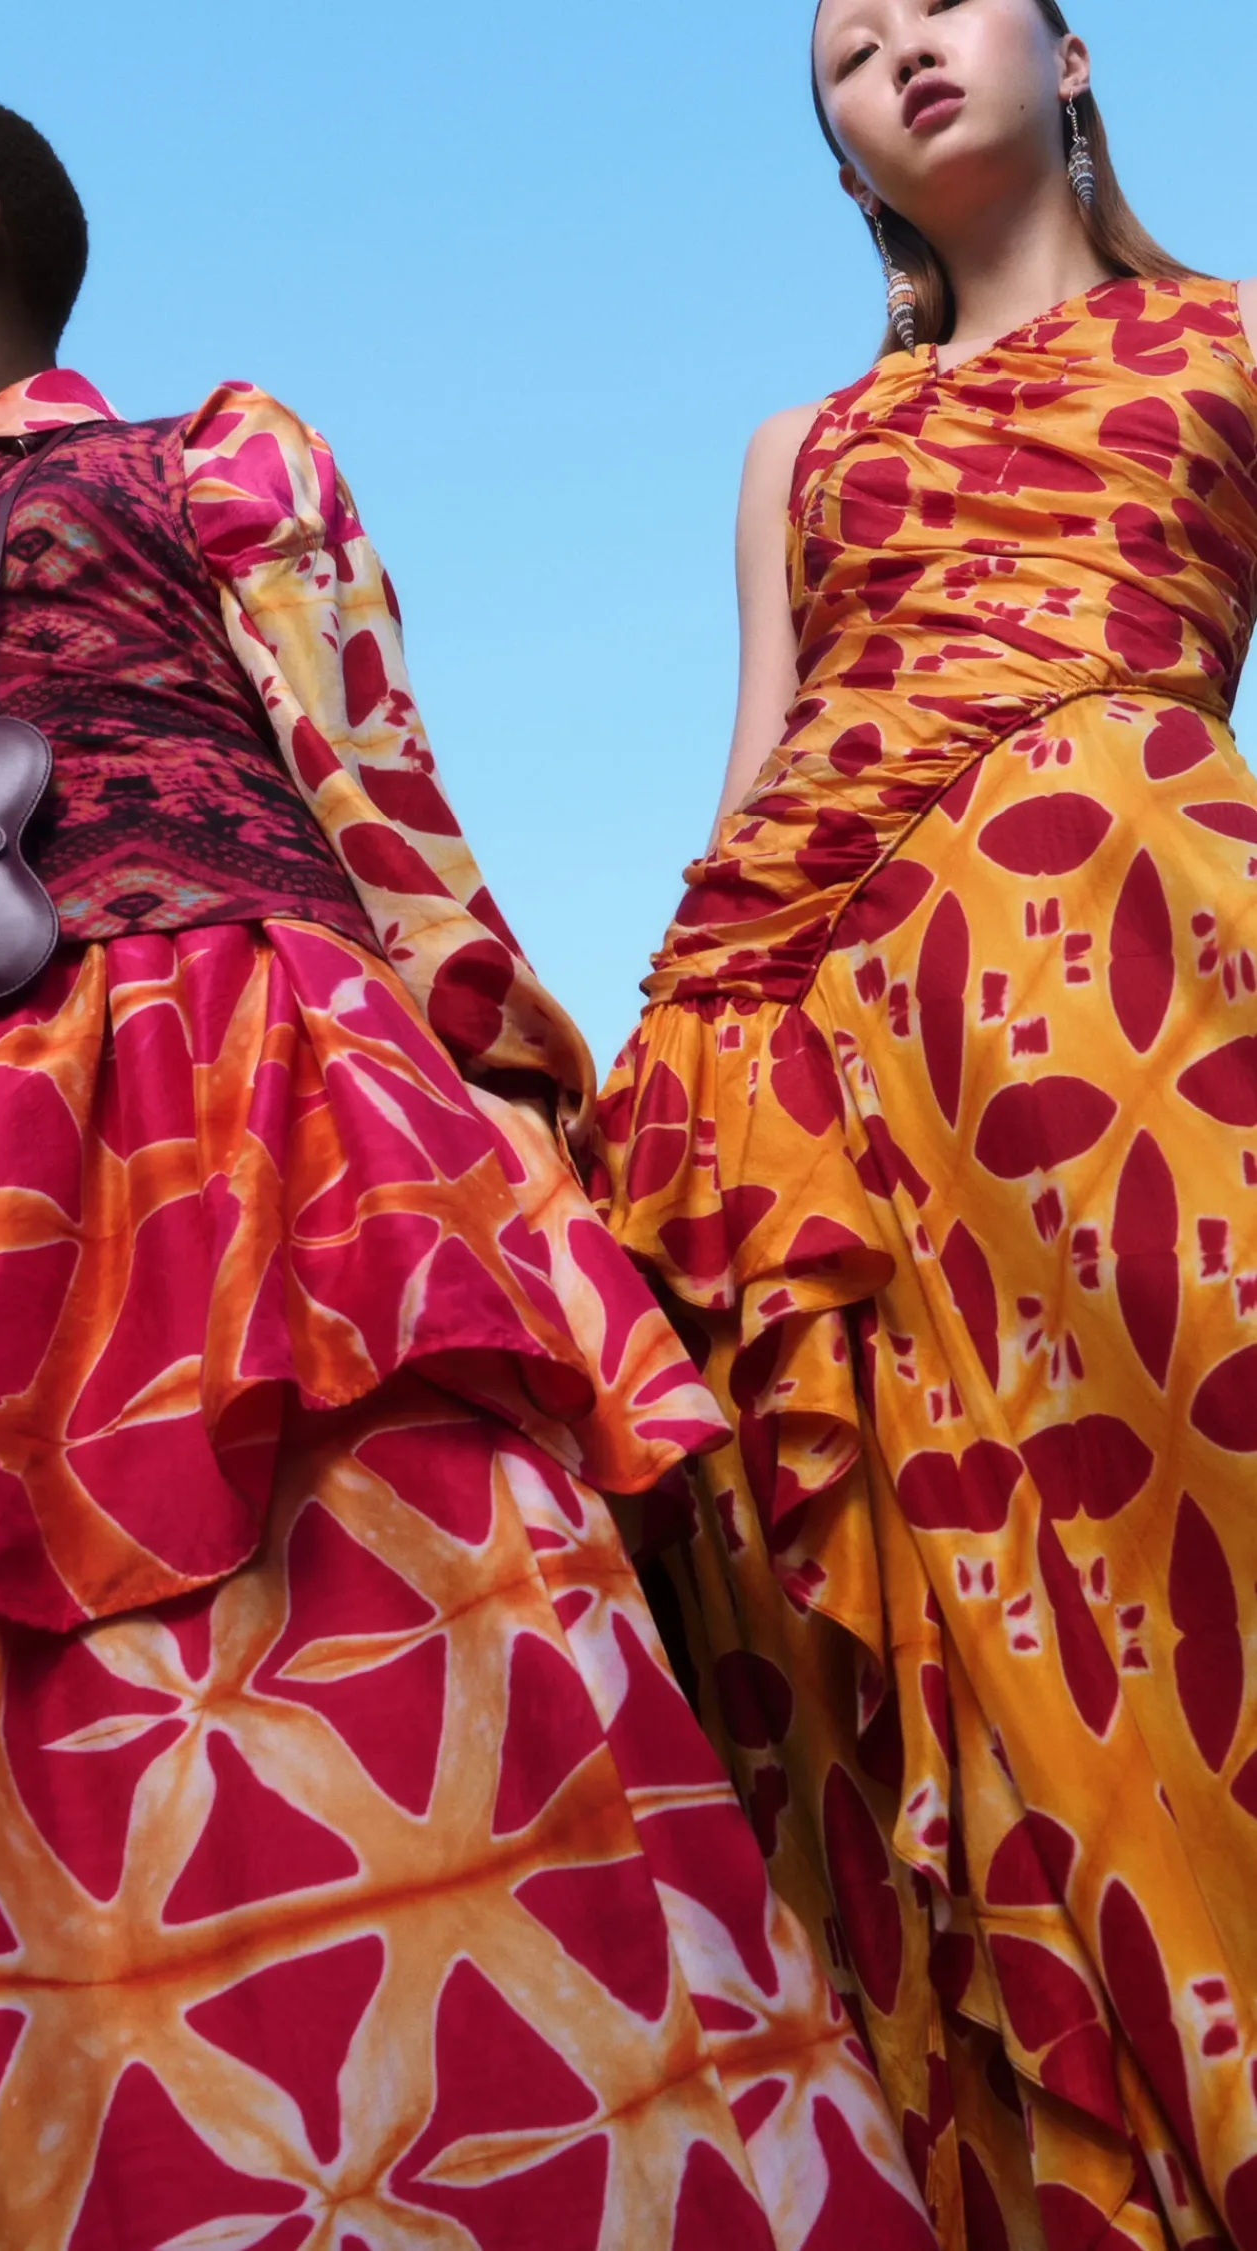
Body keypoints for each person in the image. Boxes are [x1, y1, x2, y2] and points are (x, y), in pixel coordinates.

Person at [0, 91, 935, 2251]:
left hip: (258, 1110)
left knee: (410, 1630)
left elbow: (370, 782)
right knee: (1, 1742)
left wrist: (515, 1107)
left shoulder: (208, 460)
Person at [592, 3, 1257, 2245]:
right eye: (844, 50)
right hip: (823, 1042)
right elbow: (757, 768)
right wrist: (663, 1095)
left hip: (1144, 962)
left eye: (937, 2)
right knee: (939, 1623)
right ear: (847, 152)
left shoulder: (1237, 334)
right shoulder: (801, 448)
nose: (895, 47)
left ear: (1069, 57)